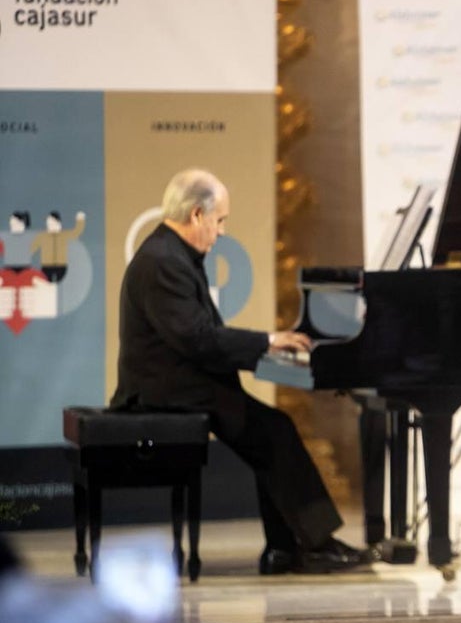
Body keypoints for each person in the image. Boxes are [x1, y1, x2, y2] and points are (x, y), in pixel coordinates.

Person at [109, 168, 363, 575]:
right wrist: (267, 342)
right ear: (197, 215)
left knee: (272, 432)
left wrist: (266, 347)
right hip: (167, 393)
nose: (222, 231)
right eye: (220, 220)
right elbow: (198, 340)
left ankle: (286, 548)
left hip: (184, 383)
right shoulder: (163, 262)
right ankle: (312, 546)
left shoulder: (171, 255)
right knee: (274, 432)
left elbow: (205, 336)